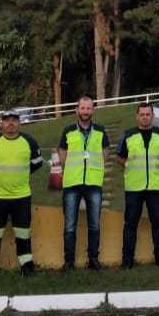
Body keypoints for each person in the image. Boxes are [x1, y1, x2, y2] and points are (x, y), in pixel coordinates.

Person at [0, 109, 43, 277]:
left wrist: (20, 176)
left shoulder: (29, 141)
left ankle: (27, 268)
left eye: (14, 120)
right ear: (1, 123)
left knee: (23, 234)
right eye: (7, 120)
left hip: (21, 197)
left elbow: (37, 163)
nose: (11, 123)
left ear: (19, 123)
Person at [117, 103, 159, 269]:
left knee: (157, 223)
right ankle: (127, 261)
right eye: (142, 114)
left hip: (156, 188)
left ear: (153, 116)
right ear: (137, 116)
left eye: (148, 114)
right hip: (134, 188)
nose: (145, 117)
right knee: (130, 225)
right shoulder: (128, 135)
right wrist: (131, 167)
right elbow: (120, 157)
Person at [58, 96, 110, 271]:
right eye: (83, 108)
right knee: (70, 225)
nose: (85, 111)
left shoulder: (101, 131)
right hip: (72, 183)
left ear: (93, 110)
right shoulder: (68, 131)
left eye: (89, 108)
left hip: (93, 184)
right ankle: (69, 262)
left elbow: (105, 154)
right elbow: (62, 154)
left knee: (94, 224)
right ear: (77, 110)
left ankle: (93, 260)